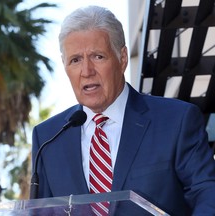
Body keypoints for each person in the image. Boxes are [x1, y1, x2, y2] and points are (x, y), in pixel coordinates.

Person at [31, 5, 215, 215]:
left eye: (98, 56)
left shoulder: (176, 121)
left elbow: (207, 193)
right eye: (75, 60)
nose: (86, 71)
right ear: (65, 67)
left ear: (123, 58)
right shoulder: (48, 138)